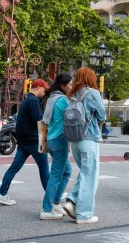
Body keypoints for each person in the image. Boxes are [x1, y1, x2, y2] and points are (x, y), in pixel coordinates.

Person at [0, 79, 50, 206]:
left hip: (23, 141)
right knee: (44, 166)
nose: (45, 92)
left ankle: (2, 194)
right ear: (39, 87)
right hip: (34, 140)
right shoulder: (33, 101)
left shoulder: (26, 100)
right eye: (44, 89)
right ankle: (52, 194)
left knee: (14, 167)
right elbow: (39, 120)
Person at [62, 67, 106, 224]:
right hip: (89, 138)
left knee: (85, 173)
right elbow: (102, 115)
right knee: (90, 177)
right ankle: (84, 214)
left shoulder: (71, 94)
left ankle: (72, 200)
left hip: (74, 140)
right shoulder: (93, 93)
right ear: (90, 78)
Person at [39, 73, 73, 220]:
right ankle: (46, 209)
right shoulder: (63, 100)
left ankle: (56, 203)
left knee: (66, 171)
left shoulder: (51, 98)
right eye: (70, 84)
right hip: (60, 140)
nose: (71, 86)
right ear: (62, 85)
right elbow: (71, 119)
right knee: (56, 175)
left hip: (51, 139)